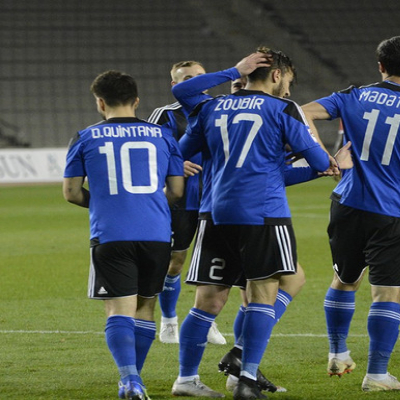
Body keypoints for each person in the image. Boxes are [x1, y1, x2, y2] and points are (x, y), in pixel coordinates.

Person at [172, 48, 337, 400]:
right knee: (263, 295)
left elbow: (182, 149)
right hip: (263, 215)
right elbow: (319, 159)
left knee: (207, 302)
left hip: (214, 214)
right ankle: (245, 378)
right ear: (276, 76)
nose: (289, 90)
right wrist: (330, 162)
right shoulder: (283, 109)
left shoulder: (210, 108)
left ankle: (186, 378)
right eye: (288, 81)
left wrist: (233, 70)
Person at [302, 36, 400, 392]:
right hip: (391, 209)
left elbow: (301, 112)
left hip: (348, 203)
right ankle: (377, 374)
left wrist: (324, 157)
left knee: (344, 280)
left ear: (380, 66)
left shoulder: (352, 96)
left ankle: (338, 351)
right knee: (387, 293)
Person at [63, 70, 184, 399]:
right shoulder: (162, 136)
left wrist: (103, 203)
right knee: (145, 307)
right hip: (157, 234)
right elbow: (176, 189)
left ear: (100, 103)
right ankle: (135, 379)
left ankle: (130, 380)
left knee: (118, 309)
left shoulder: (85, 137)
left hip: (112, 234)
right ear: (136, 101)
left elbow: (72, 192)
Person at [147, 60, 226, 345]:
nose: (196, 82)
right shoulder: (165, 115)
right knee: (175, 262)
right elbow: (150, 154)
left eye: (200, 77)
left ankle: (205, 319)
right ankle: (169, 321)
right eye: (187, 78)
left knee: (214, 265)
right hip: (182, 200)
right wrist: (176, 165)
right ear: (175, 85)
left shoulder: (222, 110)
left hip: (218, 199)